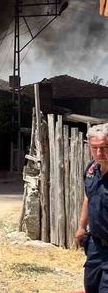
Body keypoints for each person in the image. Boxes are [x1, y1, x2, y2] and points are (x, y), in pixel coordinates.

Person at [76, 123, 108, 293]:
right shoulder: (91, 169)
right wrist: (82, 227)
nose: (99, 153)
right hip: (95, 245)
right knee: (91, 287)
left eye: (104, 147)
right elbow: (88, 197)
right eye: (95, 148)